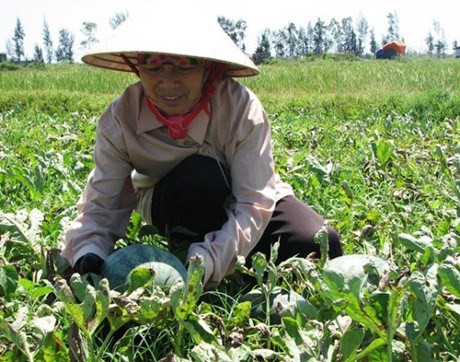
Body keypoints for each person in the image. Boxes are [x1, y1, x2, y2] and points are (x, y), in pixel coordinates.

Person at [61, 8, 342, 288]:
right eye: (154, 66)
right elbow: (102, 203)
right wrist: (89, 253)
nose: (168, 81)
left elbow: (254, 201)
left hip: (243, 194)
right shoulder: (120, 119)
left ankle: (228, 253)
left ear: (207, 67)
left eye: (184, 66)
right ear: (137, 67)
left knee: (318, 240)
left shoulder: (241, 109)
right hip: (171, 197)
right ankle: (190, 243)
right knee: (200, 177)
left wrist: (208, 260)